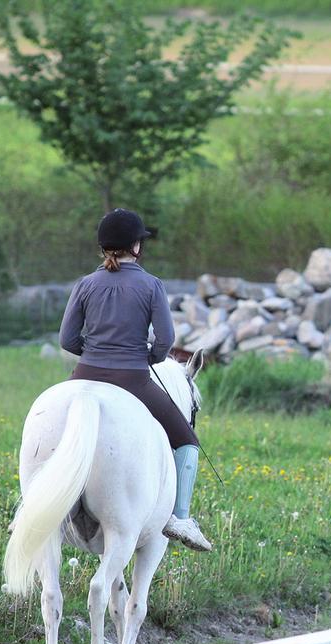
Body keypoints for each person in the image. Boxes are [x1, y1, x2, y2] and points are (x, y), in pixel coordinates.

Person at [59, 208, 212, 551]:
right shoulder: (151, 284)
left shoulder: (84, 284)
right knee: (187, 442)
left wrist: (97, 350)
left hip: (84, 374)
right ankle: (182, 519)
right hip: (132, 378)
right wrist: (145, 356)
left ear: (103, 248)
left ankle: (29, 502)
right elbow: (165, 343)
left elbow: (68, 340)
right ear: (136, 247)